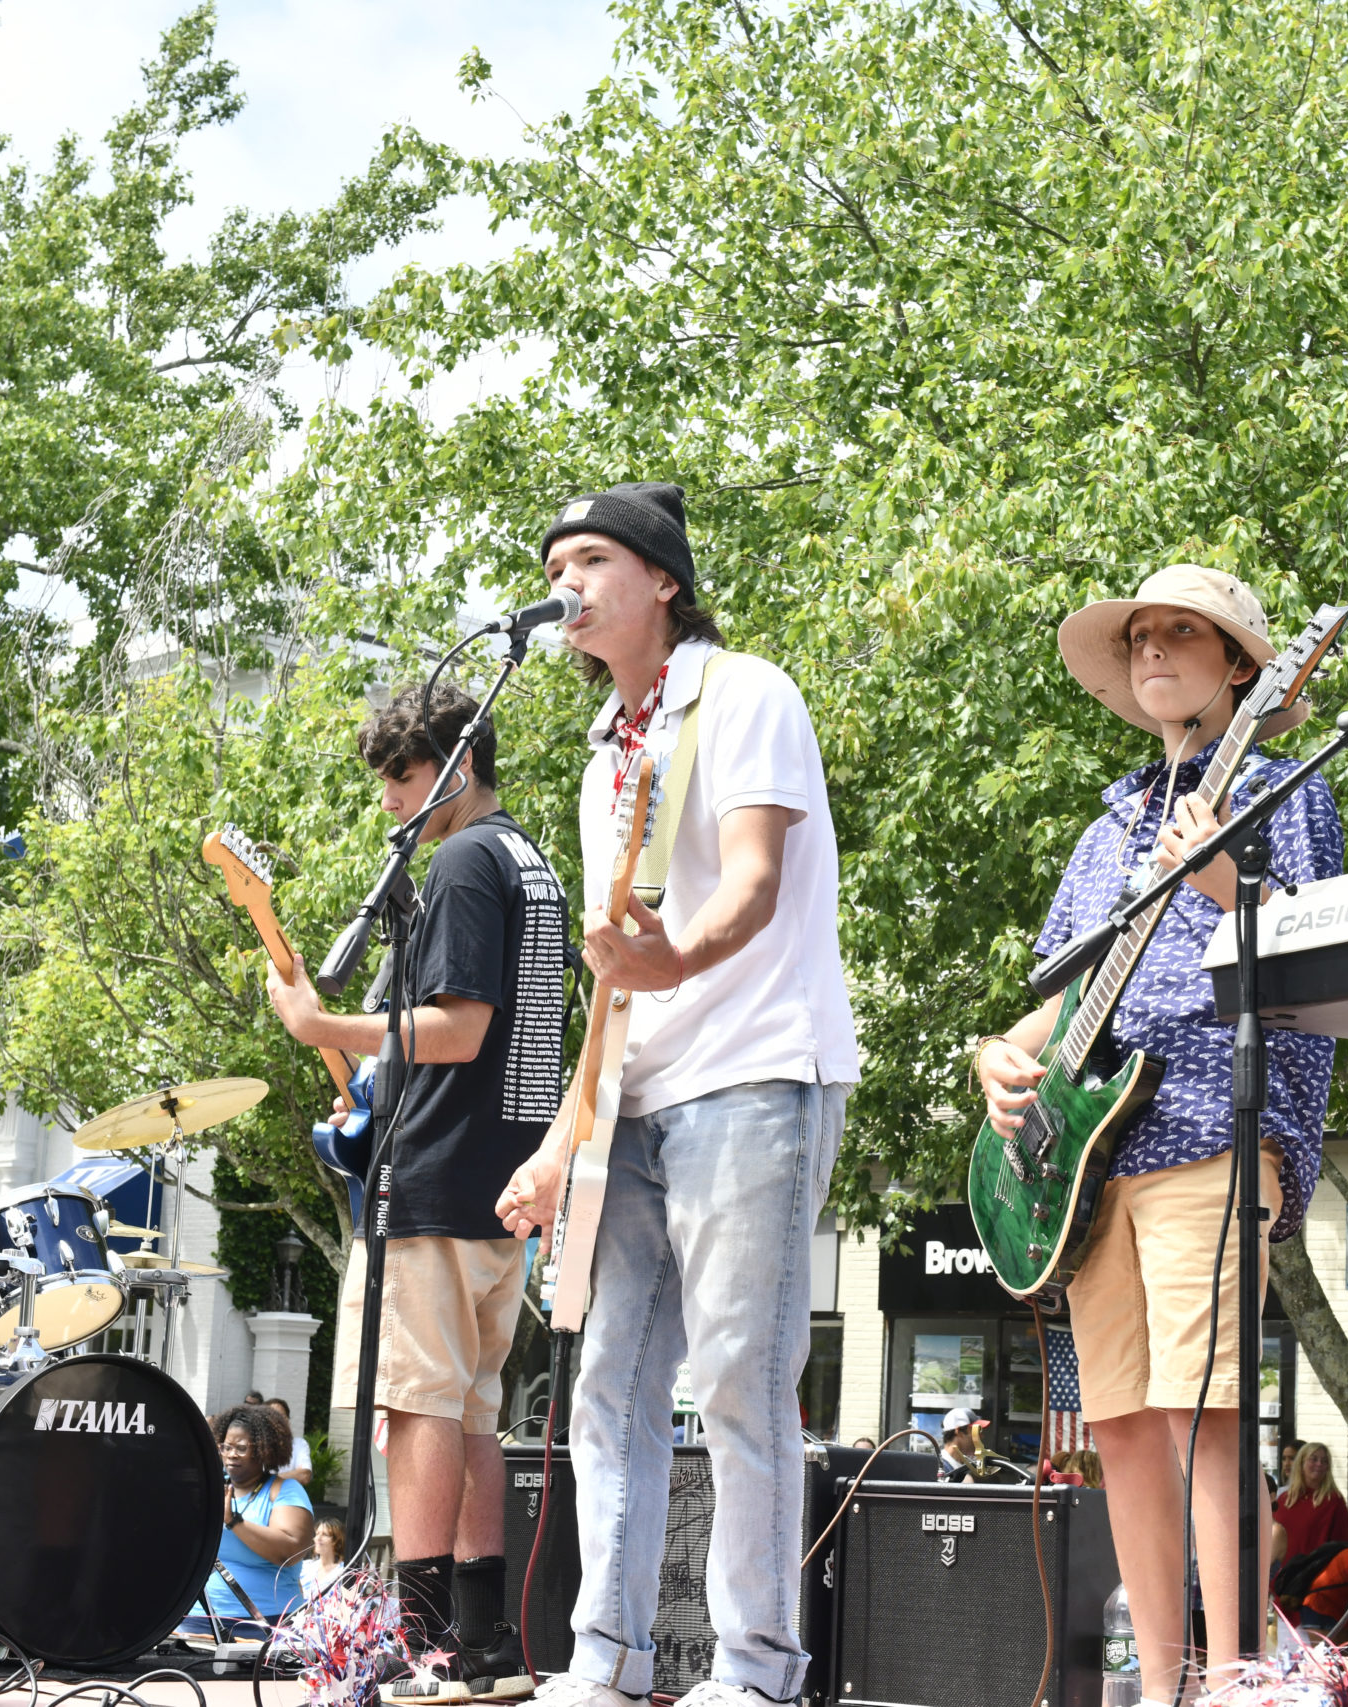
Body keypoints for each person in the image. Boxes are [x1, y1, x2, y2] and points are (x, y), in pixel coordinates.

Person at [498, 482, 860, 1707]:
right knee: (606, 1388)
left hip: (756, 1071)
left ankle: (757, 1672)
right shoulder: (607, 748)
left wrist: (673, 962)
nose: (567, 584)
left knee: (740, 1381)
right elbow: (610, 973)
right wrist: (563, 1136)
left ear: (661, 579)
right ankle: (604, 1661)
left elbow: (752, 882)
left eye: (591, 559)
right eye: (556, 564)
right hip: (635, 1103)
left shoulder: (745, 692)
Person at [975, 566, 1342, 1690]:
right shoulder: (1107, 823)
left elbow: (1324, 949)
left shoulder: (1287, 792)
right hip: (1093, 1150)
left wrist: (1229, 884)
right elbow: (1065, 988)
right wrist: (1005, 1051)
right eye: (1139, 636)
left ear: (1245, 665)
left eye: (1182, 633)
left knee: (1204, 1410)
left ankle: (1233, 1677)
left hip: (1211, 1125)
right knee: (1124, 1422)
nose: (1152, 650)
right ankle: (1162, 1679)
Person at [266, 683, 568, 1701]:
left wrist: (324, 1031)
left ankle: (424, 1641)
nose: (390, 797)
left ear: (457, 761)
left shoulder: (466, 858)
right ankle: (481, 1645)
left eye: (403, 773)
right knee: (471, 1411)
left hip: (442, 1178)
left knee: (417, 1407)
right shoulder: (531, 858)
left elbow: (459, 1028)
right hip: (507, 1173)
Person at [181, 1403, 315, 1640]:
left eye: (241, 1448)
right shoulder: (212, 1487)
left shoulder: (284, 1490)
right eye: (226, 1447)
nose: (231, 1454)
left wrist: (234, 1522)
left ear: (264, 1450)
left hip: (267, 1622)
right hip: (201, 1619)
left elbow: (290, 1551)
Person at [1272, 1442, 1348, 1564]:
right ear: (1301, 1463)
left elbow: (1343, 1544)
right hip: (1282, 1575)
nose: (1319, 1464)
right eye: (1313, 1459)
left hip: (1314, 1575)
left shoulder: (1334, 1500)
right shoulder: (1284, 1499)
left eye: (1324, 1461)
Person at [305, 1517, 352, 1601]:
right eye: (317, 1534)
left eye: (325, 1535)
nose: (318, 1538)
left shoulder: (343, 1572)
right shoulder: (306, 1567)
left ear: (337, 1540)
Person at [937, 1408, 986, 1482]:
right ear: (959, 1432)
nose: (981, 1436)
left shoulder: (965, 1468)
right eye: (976, 1431)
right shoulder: (939, 1469)